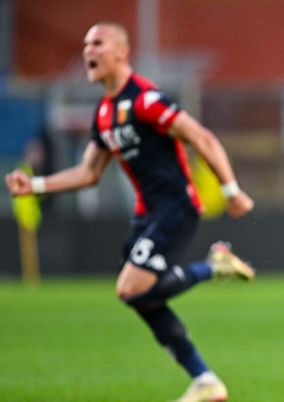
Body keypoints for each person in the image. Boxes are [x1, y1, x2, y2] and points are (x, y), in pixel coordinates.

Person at [5, 22, 255, 402]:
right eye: (86, 43)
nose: (89, 50)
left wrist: (231, 190)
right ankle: (205, 380)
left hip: (175, 207)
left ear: (121, 52)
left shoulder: (146, 99)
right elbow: (89, 173)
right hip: (146, 215)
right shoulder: (104, 113)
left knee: (129, 288)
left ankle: (213, 267)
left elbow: (201, 136)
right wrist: (36, 185)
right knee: (143, 297)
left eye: (98, 43)